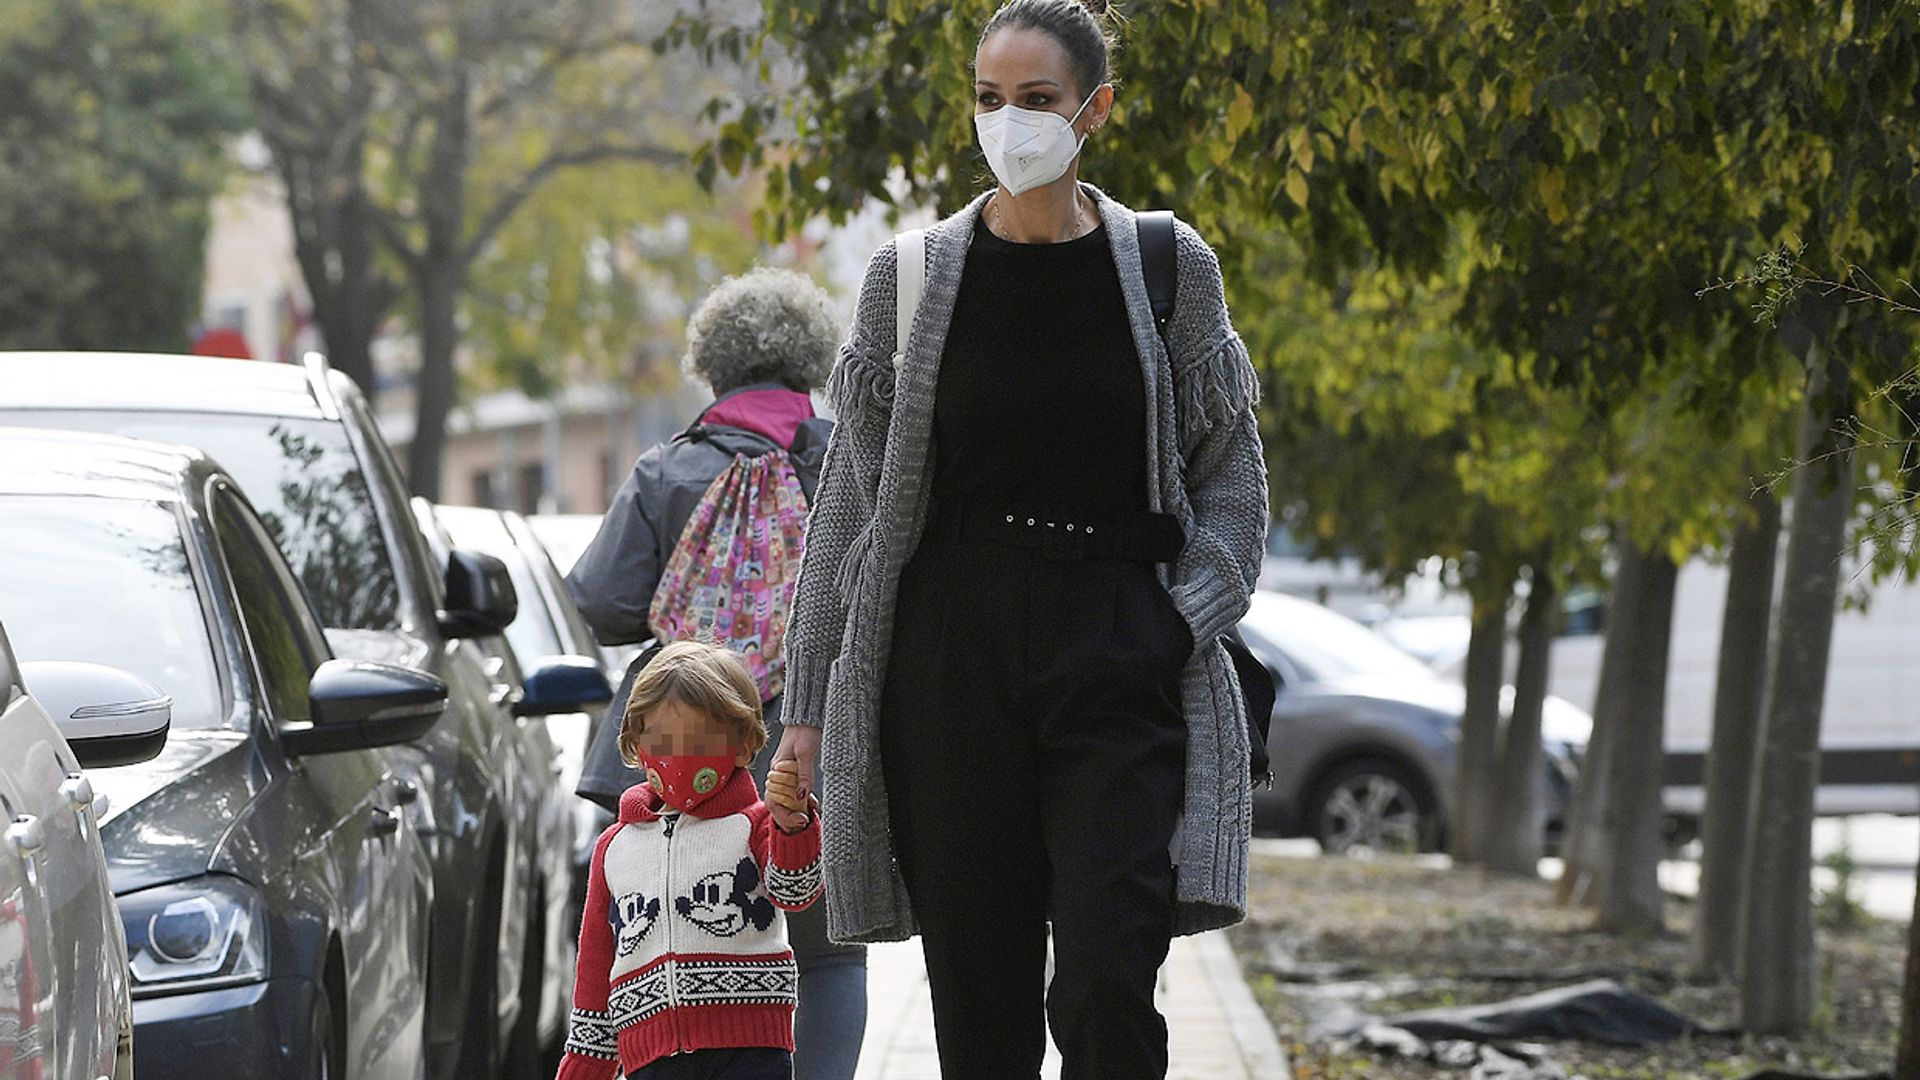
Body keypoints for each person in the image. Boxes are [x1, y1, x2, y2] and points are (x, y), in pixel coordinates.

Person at [772, 1, 1269, 1078]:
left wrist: (1173, 622)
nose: (1010, 122)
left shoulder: (1167, 265)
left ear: (1096, 109)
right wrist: (805, 708)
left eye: (1037, 100)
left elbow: (1232, 480)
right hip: (951, 659)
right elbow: (848, 512)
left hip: (1119, 648)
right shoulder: (907, 280)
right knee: (980, 999)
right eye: (989, 99)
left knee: (1104, 974)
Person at [566, 268, 867, 1079]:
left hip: (676, 754)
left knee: (669, 950)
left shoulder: (668, 472)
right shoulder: (850, 465)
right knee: (831, 956)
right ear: (812, 361)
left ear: (713, 363)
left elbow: (600, 601)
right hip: (809, 750)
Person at [556, 641, 823, 1080]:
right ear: (636, 746)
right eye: (662, 742)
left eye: (699, 742)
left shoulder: (755, 825)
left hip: (751, 1049)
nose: (679, 758)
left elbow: (796, 891)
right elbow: (594, 969)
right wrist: (584, 1066)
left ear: (743, 745)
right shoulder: (614, 848)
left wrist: (793, 825)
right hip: (652, 1057)